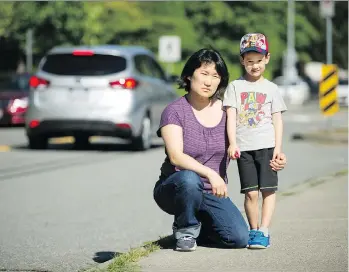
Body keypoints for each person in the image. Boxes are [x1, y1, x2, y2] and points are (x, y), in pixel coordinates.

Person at [153, 48, 287, 252]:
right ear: (189, 75)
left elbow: (254, 135)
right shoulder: (174, 111)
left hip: (211, 192)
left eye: (215, 76)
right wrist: (210, 174)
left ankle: (200, 228)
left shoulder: (227, 111)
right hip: (176, 188)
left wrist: (275, 156)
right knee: (189, 179)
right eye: (204, 74)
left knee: (239, 238)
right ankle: (185, 230)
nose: (209, 81)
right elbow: (176, 156)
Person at [223, 33, 287, 249]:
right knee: (250, 192)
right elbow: (231, 116)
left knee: (268, 190)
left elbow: (277, 119)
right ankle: (254, 229)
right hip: (244, 148)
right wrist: (232, 143)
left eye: (258, 61)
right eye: (249, 61)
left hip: (267, 146)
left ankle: (264, 231)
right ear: (242, 61)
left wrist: (278, 148)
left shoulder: (272, 88)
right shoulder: (235, 87)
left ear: (267, 58)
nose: (254, 66)